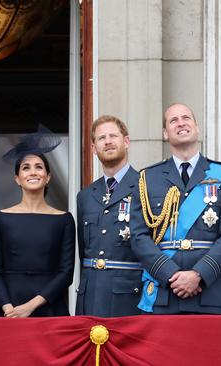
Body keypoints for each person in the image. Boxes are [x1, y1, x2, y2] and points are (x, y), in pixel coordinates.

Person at [130, 103, 221, 314]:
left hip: (210, 293)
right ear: (165, 133)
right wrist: (170, 274)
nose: (181, 123)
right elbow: (138, 237)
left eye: (186, 118)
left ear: (197, 127)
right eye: (173, 120)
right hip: (164, 292)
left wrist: (198, 274)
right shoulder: (147, 178)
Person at [0, 126, 75, 317]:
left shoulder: (64, 220)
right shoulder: (0, 217)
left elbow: (66, 273)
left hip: (48, 307)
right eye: (26, 168)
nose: (33, 172)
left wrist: (31, 306)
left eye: (39, 167)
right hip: (7, 308)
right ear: (17, 178)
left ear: (48, 177)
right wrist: (8, 308)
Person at [75, 115, 142, 317]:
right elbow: (83, 251)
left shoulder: (145, 186)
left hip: (129, 296)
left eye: (113, 135)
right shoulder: (85, 196)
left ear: (126, 141)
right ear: (94, 148)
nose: (108, 141)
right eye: (101, 138)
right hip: (90, 295)